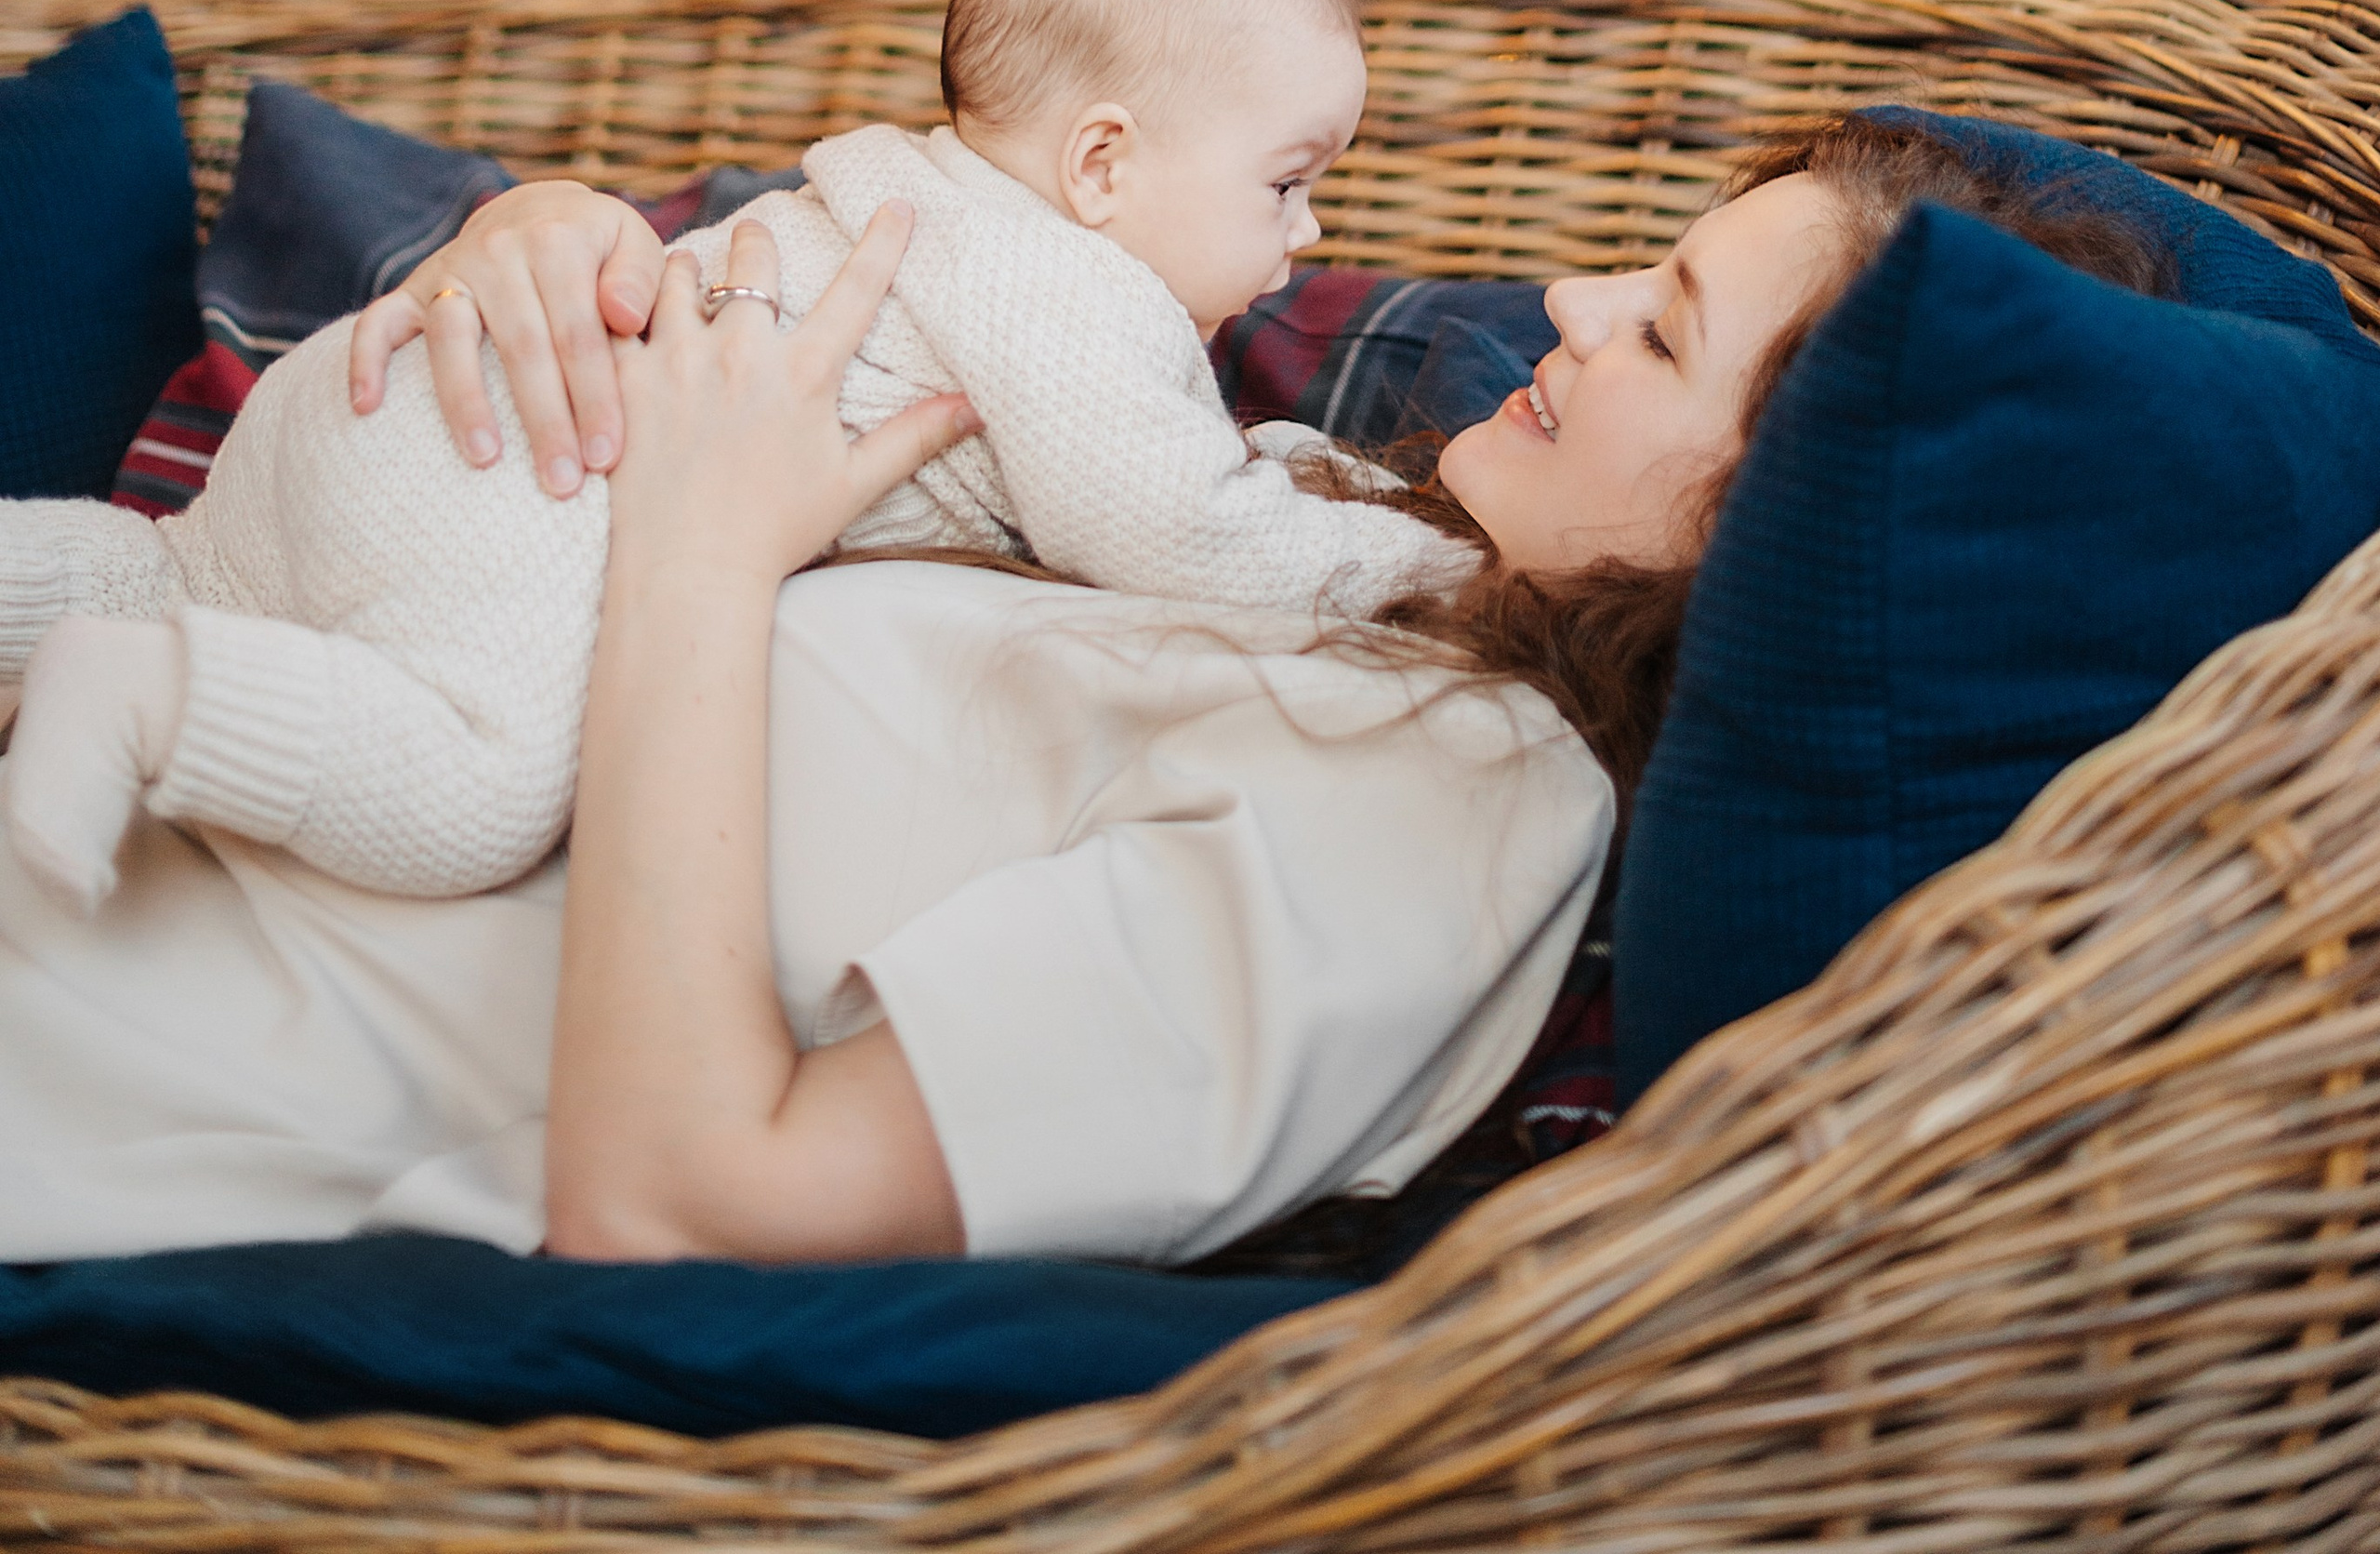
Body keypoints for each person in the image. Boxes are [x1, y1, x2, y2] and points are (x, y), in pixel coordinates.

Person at [0, 105, 2156, 1268]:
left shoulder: (1448, 810)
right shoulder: (1328, 513)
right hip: (149, 757)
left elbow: (680, 1199)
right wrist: (548, 249)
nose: (1570, 297)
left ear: (1764, 538)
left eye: (1662, 328)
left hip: (111, 1018)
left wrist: (696, 550)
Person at [0, 0, 1460, 915]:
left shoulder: (921, 206)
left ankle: (93, 612)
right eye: (1288, 181)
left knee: (171, 566)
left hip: (398, 389)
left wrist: (1317, 474)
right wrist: (1434, 564)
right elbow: (1179, 528)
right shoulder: (1069, 286)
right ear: (1101, 164)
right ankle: (141, 695)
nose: (1308, 232)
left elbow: (1208, 463)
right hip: (535, 473)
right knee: (478, 793)